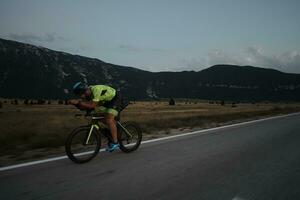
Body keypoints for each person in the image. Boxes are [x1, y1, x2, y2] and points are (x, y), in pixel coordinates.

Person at [69, 82, 121, 152]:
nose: (82, 97)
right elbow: (85, 107)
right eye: (80, 95)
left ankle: (115, 142)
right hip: (106, 102)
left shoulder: (96, 90)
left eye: (82, 94)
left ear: (86, 90)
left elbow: (92, 105)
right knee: (97, 116)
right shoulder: (88, 95)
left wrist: (78, 102)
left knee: (109, 120)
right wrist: (76, 104)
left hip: (115, 99)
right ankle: (113, 127)